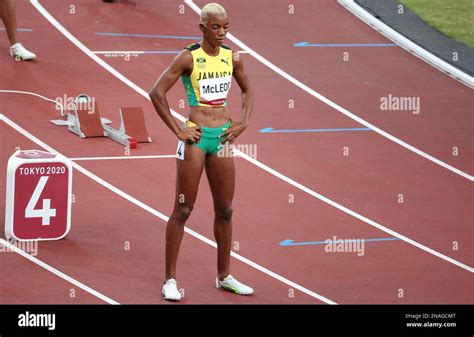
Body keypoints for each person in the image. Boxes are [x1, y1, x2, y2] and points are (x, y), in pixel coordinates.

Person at [149, 2, 254, 301]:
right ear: (202, 27)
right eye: (216, 27)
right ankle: (170, 280)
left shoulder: (232, 58)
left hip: (221, 138)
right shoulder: (188, 57)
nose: (222, 33)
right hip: (195, 139)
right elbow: (156, 92)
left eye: (226, 27)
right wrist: (177, 130)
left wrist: (244, 122)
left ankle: (224, 276)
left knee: (226, 209)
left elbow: (247, 90)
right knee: (183, 209)